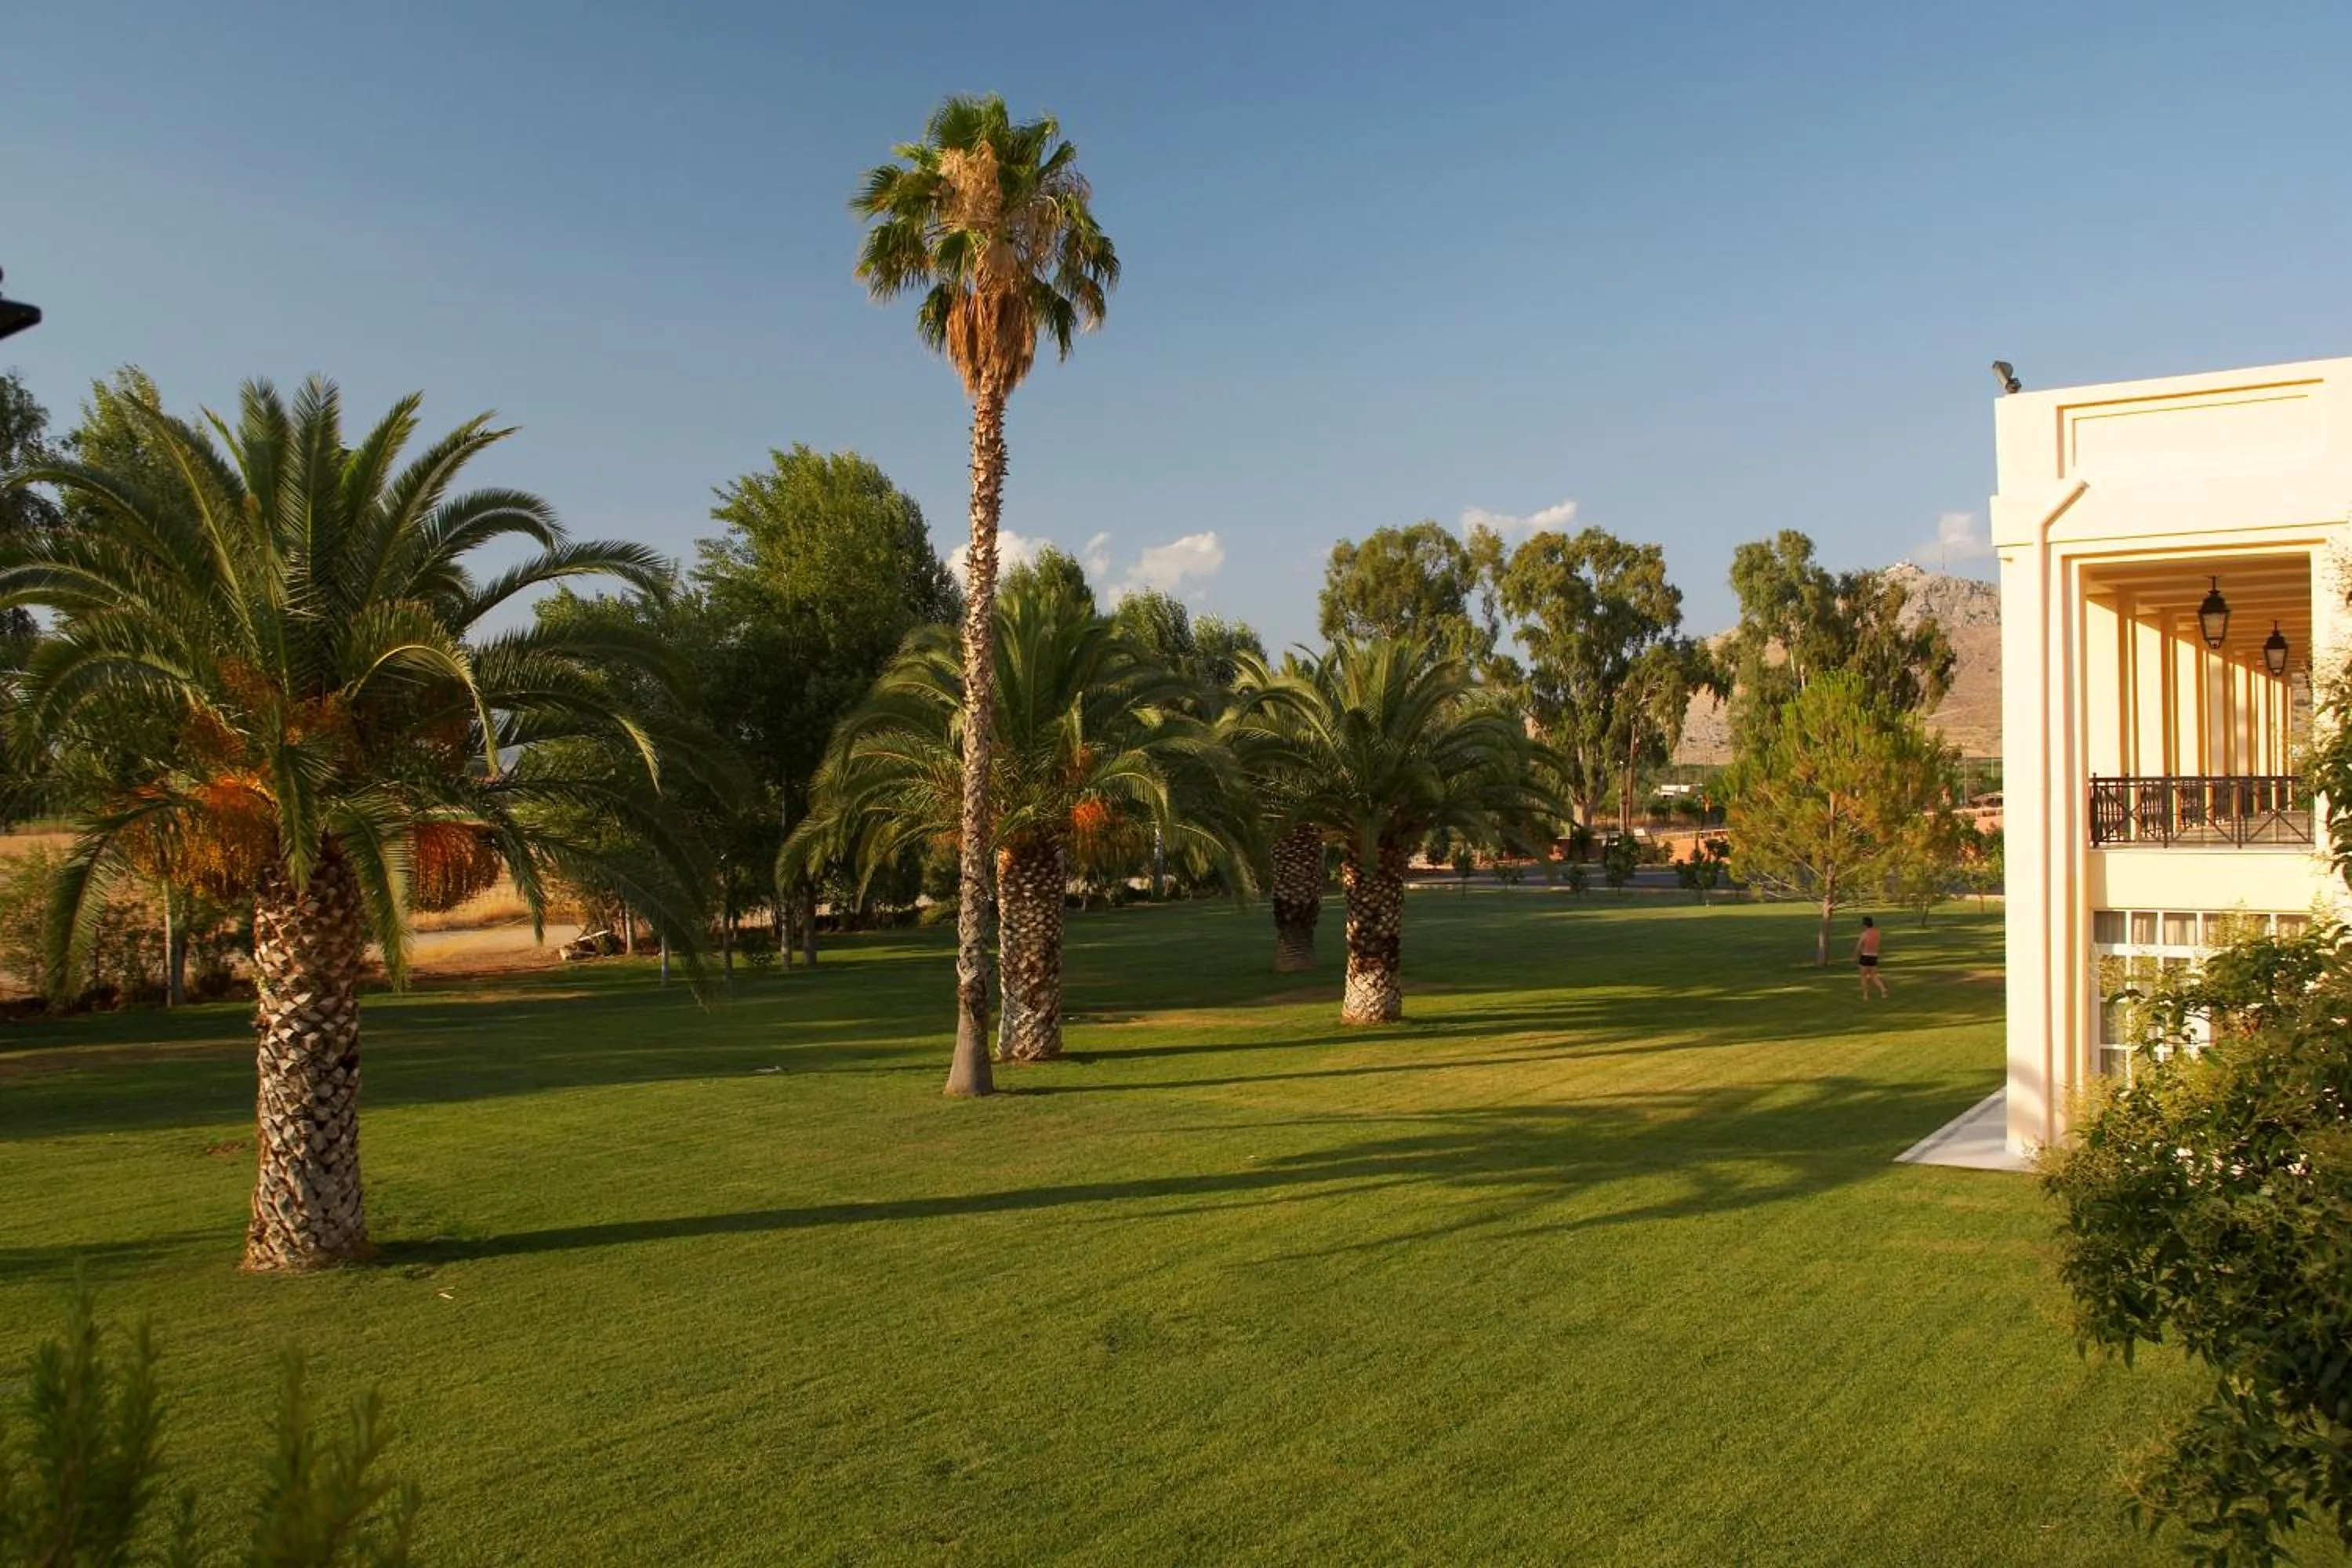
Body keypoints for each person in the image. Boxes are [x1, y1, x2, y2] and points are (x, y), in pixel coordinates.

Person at [1855, 916, 1888, 1000]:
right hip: (1874, 956)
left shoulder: (1864, 934)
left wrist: (1855, 955)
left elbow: (1859, 946)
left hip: (1865, 956)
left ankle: (1865, 995)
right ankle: (1883, 989)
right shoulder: (1877, 933)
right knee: (1874, 976)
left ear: (1865, 925)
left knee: (1863, 976)